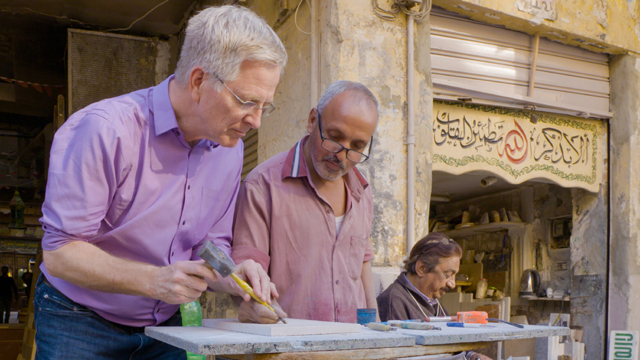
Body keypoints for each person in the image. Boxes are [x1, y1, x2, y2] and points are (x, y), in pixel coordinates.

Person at [35, 6, 287, 359]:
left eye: (265, 106)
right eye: (246, 101)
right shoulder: (106, 130)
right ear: (199, 81)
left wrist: (237, 279)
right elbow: (60, 254)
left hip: (166, 328)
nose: (256, 121)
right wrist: (154, 281)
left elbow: (210, 248)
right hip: (79, 321)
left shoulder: (230, 151)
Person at [231, 80, 379, 323]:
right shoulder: (263, 185)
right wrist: (257, 308)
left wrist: (376, 328)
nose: (341, 155)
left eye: (357, 147)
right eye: (334, 137)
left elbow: (363, 265)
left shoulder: (361, 191)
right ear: (312, 121)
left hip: (353, 345)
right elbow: (246, 274)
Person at [377, 233, 492, 360]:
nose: (452, 284)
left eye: (455, 275)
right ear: (422, 268)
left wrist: (472, 355)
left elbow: (452, 347)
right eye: (447, 274)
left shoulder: (431, 300)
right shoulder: (393, 301)